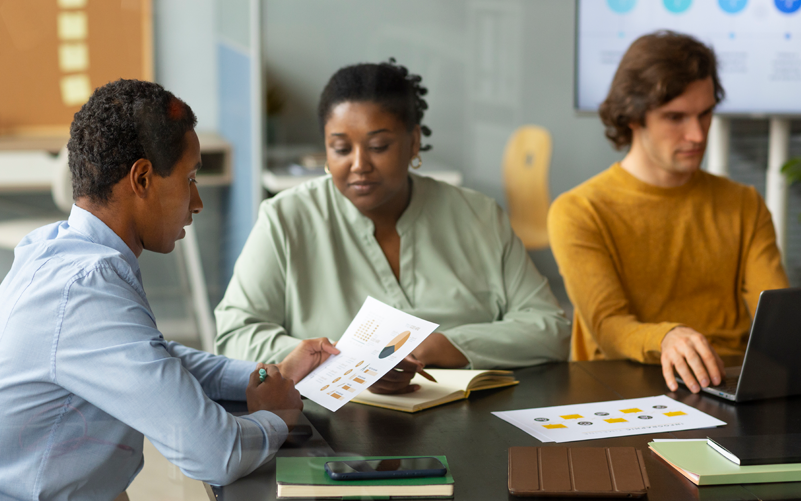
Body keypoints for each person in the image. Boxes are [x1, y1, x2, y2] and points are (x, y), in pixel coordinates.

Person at [0, 79, 339, 501]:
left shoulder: (55, 248)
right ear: (142, 178)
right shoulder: (86, 288)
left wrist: (269, 373)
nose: (196, 202)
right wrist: (275, 417)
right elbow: (217, 452)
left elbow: (155, 358)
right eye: (190, 179)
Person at [215, 59, 570, 393]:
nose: (359, 165)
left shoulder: (479, 216)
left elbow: (549, 327)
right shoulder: (285, 219)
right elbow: (235, 334)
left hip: (469, 419)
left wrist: (442, 346)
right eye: (340, 148)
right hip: (334, 427)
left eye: (378, 146)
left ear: (413, 142)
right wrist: (342, 360)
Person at [548, 31, 789, 394]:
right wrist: (667, 337)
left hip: (729, 384)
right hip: (625, 387)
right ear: (632, 117)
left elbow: (778, 320)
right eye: (675, 117)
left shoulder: (744, 203)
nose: (696, 134)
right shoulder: (580, 210)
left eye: (705, 114)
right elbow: (608, 326)